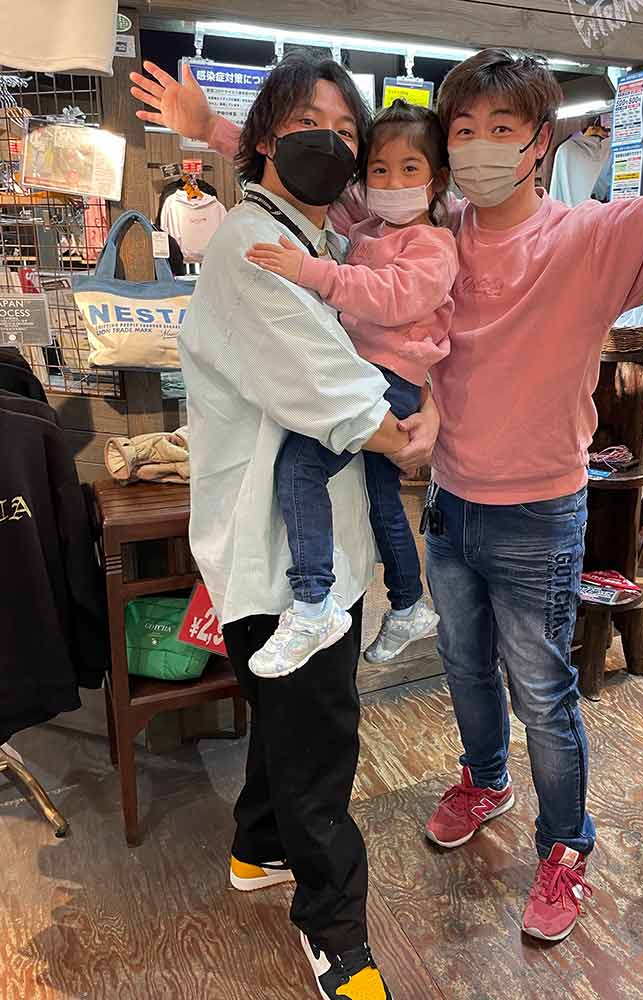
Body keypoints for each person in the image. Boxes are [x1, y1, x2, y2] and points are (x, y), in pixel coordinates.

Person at [132, 48, 643, 947]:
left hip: (539, 514)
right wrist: (212, 131)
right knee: (463, 668)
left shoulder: (591, 241)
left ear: (539, 142)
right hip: (448, 504)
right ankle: (485, 780)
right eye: (465, 129)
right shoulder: (431, 224)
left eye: (503, 129)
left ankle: (566, 845)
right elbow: (326, 181)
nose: (481, 145)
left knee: (544, 692)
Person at [133, 52, 445, 1000]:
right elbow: (335, 392)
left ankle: (256, 849)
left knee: (289, 719)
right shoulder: (251, 245)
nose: (335, 146)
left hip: (311, 545)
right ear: (269, 136)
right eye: (314, 124)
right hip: (277, 553)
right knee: (321, 743)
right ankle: (336, 933)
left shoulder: (317, 237)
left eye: (349, 133)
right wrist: (415, 431)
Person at [246, 99, 455, 678]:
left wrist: (311, 272)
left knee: (300, 468)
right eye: (379, 170)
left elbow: (393, 298)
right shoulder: (366, 228)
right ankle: (408, 606)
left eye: (410, 169)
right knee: (382, 498)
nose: (393, 182)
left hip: (391, 380)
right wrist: (209, 131)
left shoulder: (434, 244)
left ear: (436, 179)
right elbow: (299, 181)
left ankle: (313, 602)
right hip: (371, 374)